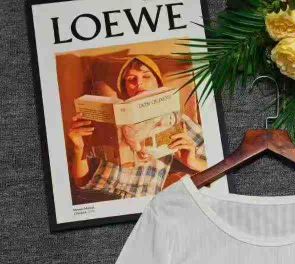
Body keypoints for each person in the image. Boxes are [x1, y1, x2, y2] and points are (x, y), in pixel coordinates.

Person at [67, 54, 206, 203]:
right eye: (130, 79)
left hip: (138, 201)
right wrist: (78, 148)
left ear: (158, 84)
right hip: (94, 196)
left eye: (146, 76)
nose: (138, 82)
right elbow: (80, 182)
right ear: (125, 88)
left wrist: (193, 162)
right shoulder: (108, 120)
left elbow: (219, 164)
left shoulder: (177, 119)